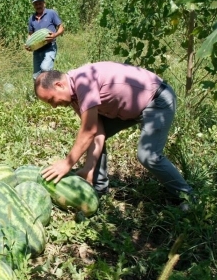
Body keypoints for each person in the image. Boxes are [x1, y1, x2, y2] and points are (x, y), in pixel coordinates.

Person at [34, 61, 194, 204]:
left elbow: (88, 131)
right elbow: (96, 131)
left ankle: (188, 197)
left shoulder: (84, 81)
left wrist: (67, 163)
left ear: (59, 85)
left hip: (157, 99)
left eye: (51, 100)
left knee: (148, 156)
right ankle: (98, 188)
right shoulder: (74, 97)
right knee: (89, 139)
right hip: (129, 110)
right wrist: (89, 167)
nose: (54, 106)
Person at [26, 0, 64, 81]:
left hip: (50, 47)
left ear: (44, 4)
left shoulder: (51, 13)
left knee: (46, 69)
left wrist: (55, 35)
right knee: (36, 77)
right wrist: (28, 44)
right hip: (37, 49)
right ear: (33, 5)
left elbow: (61, 28)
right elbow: (30, 34)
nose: (38, 6)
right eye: (36, 4)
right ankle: (40, 94)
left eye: (40, 3)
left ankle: (52, 86)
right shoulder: (31, 18)